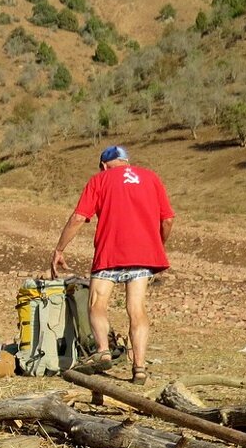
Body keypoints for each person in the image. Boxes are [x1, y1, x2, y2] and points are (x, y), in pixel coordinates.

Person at [50, 145, 174, 385]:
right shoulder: (151, 178)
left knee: (97, 303)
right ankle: (139, 368)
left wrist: (60, 249)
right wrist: (157, 243)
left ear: (104, 165)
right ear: (126, 162)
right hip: (142, 254)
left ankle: (103, 350)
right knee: (136, 309)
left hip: (110, 252)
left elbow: (78, 218)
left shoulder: (100, 180)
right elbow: (167, 219)